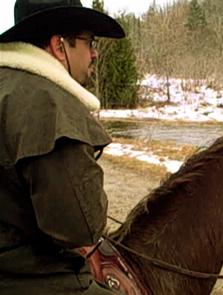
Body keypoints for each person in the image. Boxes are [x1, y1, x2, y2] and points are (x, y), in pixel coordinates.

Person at [0, 0, 125, 294]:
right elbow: (80, 227)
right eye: (89, 42)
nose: (94, 53)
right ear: (59, 46)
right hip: (30, 278)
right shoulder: (50, 105)